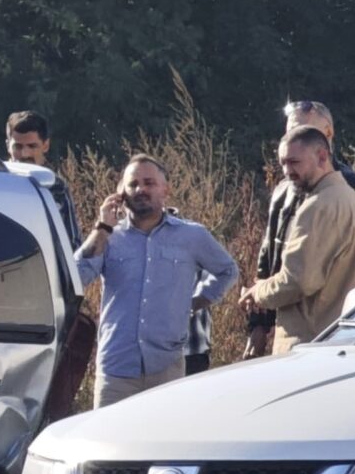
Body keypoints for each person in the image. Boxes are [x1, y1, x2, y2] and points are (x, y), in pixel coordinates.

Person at [75, 156, 239, 406]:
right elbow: (77, 277)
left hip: (166, 368)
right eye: (133, 184)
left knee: (166, 443)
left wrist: (195, 302)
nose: (141, 190)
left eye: (149, 183)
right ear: (121, 192)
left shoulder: (191, 236)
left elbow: (227, 271)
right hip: (116, 369)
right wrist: (101, 227)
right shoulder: (109, 237)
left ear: (165, 190)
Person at [243, 101, 355, 358]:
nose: (287, 170)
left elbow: (298, 280)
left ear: (323, 148)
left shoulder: (322, 202)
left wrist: (257, 293)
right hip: (344, 340)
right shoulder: (343, 198)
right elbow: (269, 258)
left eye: (294, 161)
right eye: (283, 162)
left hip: (314, 342)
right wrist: (259, 325)